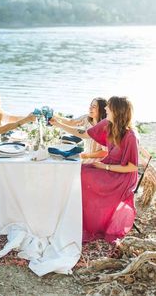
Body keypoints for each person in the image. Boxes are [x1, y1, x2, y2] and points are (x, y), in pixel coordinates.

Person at [51, 96, 138, 242]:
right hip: (108, 167)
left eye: (108, 107)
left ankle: (90, 221)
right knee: (78, 170)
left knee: (84, 176)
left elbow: (132, 167)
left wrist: (105, 166)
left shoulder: (131, 136)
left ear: (117, 111)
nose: (105, 109)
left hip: (122, 176)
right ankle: (74, 214)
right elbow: (84, 134)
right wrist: (59, 125)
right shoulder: (107, 123)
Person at [54, 97, 108, 163]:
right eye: (90, 106)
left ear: (102, 110)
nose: (90, 108)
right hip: (85, 156)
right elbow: (72, 122)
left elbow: (105, 152)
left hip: (98, 160)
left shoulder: (104, 127)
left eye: (94, 106)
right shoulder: (87, 118)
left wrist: (87, 155)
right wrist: (55, 117)